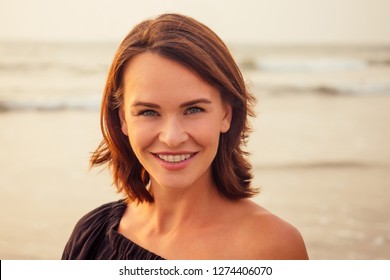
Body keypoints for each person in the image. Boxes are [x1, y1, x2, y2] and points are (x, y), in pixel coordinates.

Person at [62, 13, 308, 260]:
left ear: (226, 114)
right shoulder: (91, 235)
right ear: (123, 119)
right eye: (148, 112)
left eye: (193, 110)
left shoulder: (272, 247)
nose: (172, 137)